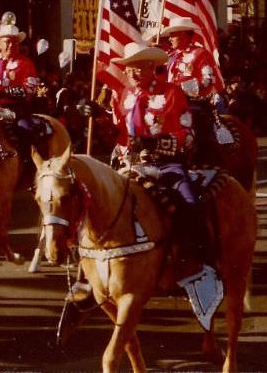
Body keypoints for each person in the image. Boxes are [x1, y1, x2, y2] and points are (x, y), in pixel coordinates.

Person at [79, 42, 221, 326]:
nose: (130, 72)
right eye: (128, 67)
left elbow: (186, 137)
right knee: (92, 203)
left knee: (189, 205)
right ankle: (85, 274)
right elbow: (120, 134)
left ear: (149, 67)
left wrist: (154, 142)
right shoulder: (125, 95)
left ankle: (194, 261)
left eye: (136, 66)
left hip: (165, 165)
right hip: (130, 165)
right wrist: (99, 116)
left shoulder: (172, 93)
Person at [161, 17, 230, 165]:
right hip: (170, 104)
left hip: (193, 104)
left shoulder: (200, 53)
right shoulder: (170, 56)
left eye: (174, 34)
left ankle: (211, 164)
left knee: (202, 135)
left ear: (185, 34)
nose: (170, 38)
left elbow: (208, 81)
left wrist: (179, 89)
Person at [0, 14, 48, 159]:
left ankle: (30, 164)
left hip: (15, 110)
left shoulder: (25, 64)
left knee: (26, 128)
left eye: (15, 42)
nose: (11, 45)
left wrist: (4, 93)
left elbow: (29, 91)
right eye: (7, 42)